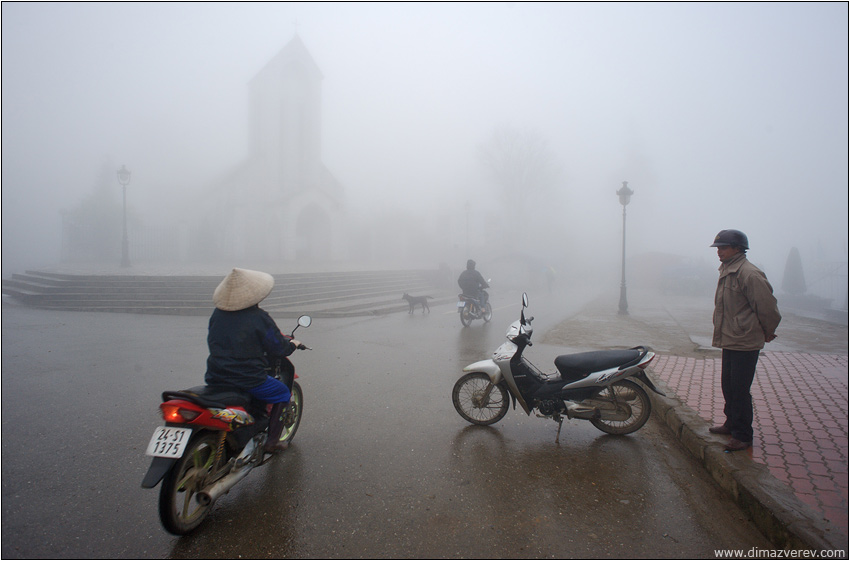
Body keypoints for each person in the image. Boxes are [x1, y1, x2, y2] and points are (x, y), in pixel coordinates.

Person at [205, 268, 301, 453]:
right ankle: (272, 442)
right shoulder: (258, 318)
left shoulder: (217, 314)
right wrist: (293, 344)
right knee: (281, 392)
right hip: (247, 378)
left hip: (215, 375)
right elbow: (279, 347)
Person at [709, 230, 781, 452]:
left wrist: (769, 330)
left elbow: (767, 307)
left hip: (745, 340)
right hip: (731, 338)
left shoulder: (749, 274)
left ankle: (743, 435)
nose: (719, 252)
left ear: (738, 249)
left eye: (723, 247)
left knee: (740, 389)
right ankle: (731, 423)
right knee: (728, 386)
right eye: (718, 248)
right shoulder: (728, 270)